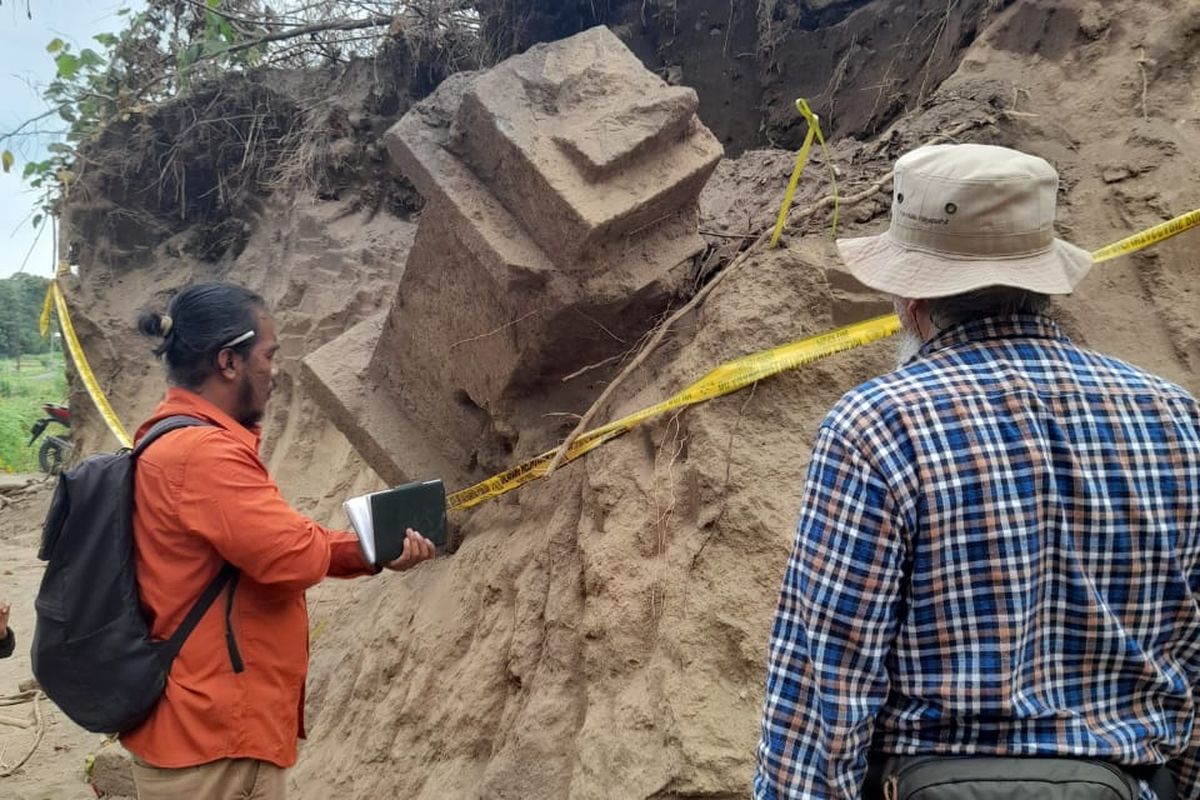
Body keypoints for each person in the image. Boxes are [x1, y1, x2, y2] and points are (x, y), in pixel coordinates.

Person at [754, 144, 1200, 799]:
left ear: (910, 294)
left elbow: (827, 686)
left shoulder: (878, 425)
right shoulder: (1175, 419)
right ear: (1043, 280)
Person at [123, 282, 436, 800]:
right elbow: (289, 555)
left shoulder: (176, 439)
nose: (275, 370)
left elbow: (271, 545)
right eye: (269, 354)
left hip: (207, 732)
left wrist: (371, 552)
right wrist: (345, 546)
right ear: (229, 361)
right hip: (213, 743)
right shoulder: (203, 455)